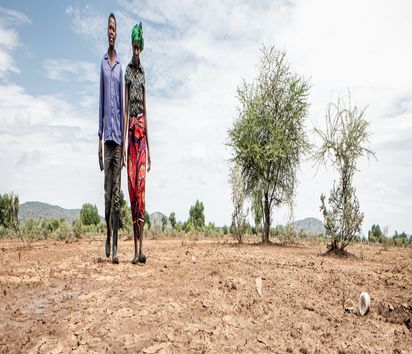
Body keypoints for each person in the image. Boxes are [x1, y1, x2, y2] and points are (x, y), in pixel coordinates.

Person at [123, 22, 151, 264]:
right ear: (131, 47)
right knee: (132, 190)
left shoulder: (142, 74)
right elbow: (124, 111)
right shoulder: (129, 73)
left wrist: (149, 149)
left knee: (142, 190)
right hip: (130, 134)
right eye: (134, 47)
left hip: (142, 135)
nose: (136, 51)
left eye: (139, 47)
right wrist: (123, 144)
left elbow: (147, 110)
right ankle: (133, 250)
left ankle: (142, 249)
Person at [98, 13, 124, 264]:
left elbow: (122, 108)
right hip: (106, 139)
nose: (111, 32)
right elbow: (101, 102)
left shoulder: (120, 69)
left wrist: (124, 146)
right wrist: (98, 138)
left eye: (114, 28)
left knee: (117, 196)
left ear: (118, 33)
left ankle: (116, 246)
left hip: (119, 140)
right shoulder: (104, 64)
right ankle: (107, 234)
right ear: (106, 32)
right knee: (107, 195)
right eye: (109, 28)